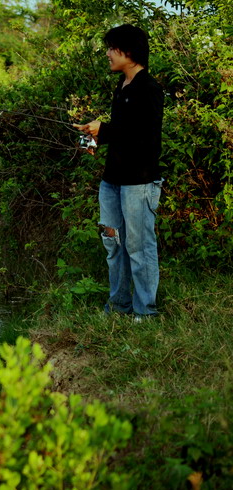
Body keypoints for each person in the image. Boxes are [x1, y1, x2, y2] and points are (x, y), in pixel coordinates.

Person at [74, 24, 164, 318]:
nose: (108, 54)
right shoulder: (122, 85)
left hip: (138, 183)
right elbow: (122, 132)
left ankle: (145, 312)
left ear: (129, 52)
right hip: (112, 181)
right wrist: (95, 134)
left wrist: (107, 129)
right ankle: (118, 305)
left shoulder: (149, 88)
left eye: (113, 48)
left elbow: (144, 137)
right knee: (113, 243)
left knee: (139, 247)